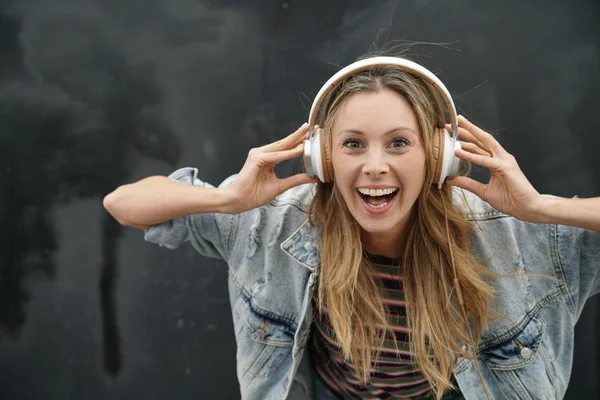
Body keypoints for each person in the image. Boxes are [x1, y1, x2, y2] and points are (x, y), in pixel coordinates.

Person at [103, 56, 600, 400]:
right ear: (322, 157)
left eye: (399, 143)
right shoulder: (272, 223)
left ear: (437, 156)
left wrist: (543, 208)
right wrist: (226, 199)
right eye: (354, 144)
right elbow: (123, 203)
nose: (375, 166)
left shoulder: (518, 237)